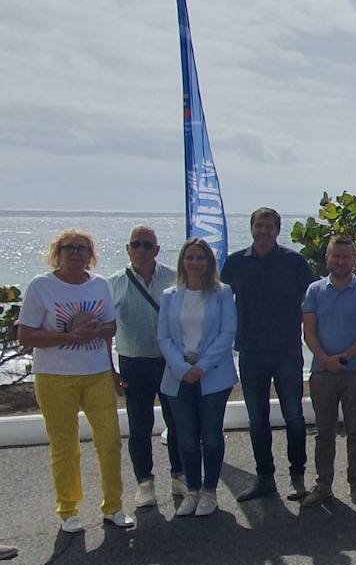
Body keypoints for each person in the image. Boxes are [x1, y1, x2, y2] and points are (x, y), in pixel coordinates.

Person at [18, 229, 132, 532]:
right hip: (55, 377)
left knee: (109, 441)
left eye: (82, 248)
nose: (75, 253)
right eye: (69, 248)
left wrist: (109, 364)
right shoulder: (41, 286)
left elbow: (110, 328)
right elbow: (26, 335)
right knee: (65, 446)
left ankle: (114, 506)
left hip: (95, 374)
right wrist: (68, 336)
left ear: (90, 254)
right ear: (58, 253)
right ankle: (68, 510)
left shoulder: (100, 285)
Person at [221, 207, 316, 503]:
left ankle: (297, 477)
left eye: (269, 226)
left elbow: (311, 301)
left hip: (287, 350)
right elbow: (220, 303)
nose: (263, 230)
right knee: (257, 419)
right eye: (259, 225)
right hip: (250, 351)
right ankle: (265, 478)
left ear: (278, 230)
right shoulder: (236, 263)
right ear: (251, 228)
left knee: (294, 416)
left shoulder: (294, 261)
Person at [157, 238, 238, 518]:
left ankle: (210, 491)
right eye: (190, 257)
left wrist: (201, 366)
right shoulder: (170, 294)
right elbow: (163, 337)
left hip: (213, 375)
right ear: (182, 261)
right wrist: (182, 368)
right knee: (186, 438)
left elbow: (227, 333)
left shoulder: (223, 293)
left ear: (209, 263)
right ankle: (192, 491)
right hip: (178, 377)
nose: (195, 263)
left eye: (200, 258)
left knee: (211, 436)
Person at [300, 236, 356, 508]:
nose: (341, 261)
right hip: (321, 372)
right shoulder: (314, 290)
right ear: (327, 258)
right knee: (324, 432)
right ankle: (323, 485)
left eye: (346, 256)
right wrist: (324, 359)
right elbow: (308, 331)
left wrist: (343, 358)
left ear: (354, 259)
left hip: (355, 371)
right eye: (336, 256)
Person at [110, 225, 184, 508]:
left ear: (157, 249)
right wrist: (110, 369)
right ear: (128, 249)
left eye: (147, 245)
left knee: (177, 422)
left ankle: (180, 475)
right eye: (136, 244)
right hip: (133, 362)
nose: (141, 250)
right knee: (140, 425)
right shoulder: (114, 283)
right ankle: (145, 483)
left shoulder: (173, 278)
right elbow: (107, 328)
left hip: (169, 361)